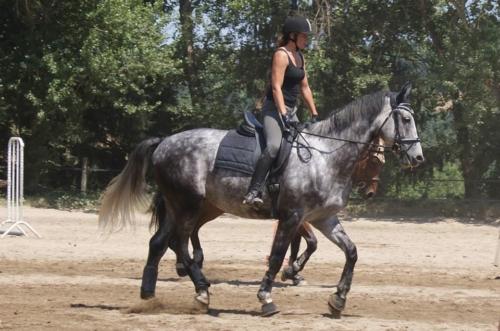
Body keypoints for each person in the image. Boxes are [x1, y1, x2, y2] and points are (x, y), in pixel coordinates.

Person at [242, 15, 319, 207]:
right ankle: (254, 189)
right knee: (275, 146)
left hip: (290, 111)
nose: (306, 40)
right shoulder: (281, 55)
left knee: (305, 146)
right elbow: (276, 87)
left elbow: (305, 88)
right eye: (304, 36)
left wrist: (314, 113)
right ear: (292, 36)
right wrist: (284, 114)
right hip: (273, 110)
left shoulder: (300, 57)